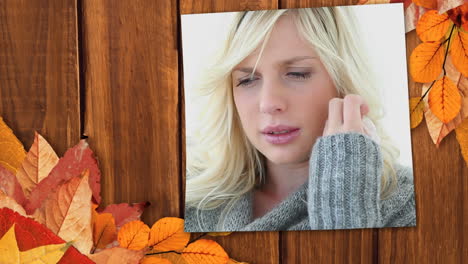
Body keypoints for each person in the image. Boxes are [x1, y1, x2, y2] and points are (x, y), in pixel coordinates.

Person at [183, 7, 416, 232]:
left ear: (343, 78)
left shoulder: (411, 203)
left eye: (297, 73)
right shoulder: (186, 194)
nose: (268, 103)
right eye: (247, 80)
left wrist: (344, 198)